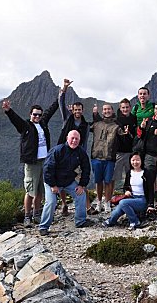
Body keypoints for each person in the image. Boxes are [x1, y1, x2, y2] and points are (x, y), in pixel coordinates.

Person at [2, 92, 59, 227]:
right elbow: (16, 120)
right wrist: (8, 111)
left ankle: (36, 215)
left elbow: (51, 109)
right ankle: (27, 216)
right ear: (30, 115)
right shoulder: (26, 126)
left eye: (39, 114)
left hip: (44, 161)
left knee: (39, 190)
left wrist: (61, 93)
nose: (37, 116)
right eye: (35, 114)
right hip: (32, 163)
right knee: (30, 191)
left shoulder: (43, 123)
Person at [39, 130, 93, 236]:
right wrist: (53, 185)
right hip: (52, 182)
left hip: (68, 181)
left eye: (76, 139)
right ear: (67, 138)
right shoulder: (57, 150)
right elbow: (47, 169)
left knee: (81, 195)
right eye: (72, 138)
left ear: (79, 140)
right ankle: (44, 226)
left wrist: (82, 185)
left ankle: (80, 221)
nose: (74, 141)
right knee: (51, 202)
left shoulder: (81, 152)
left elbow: (86, 169)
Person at [56, 79, 94, 216]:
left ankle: (88, 207)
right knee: (61, 179)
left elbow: (84, 142)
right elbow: (61, 102)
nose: (77, 111)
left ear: (83, 111)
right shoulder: (67, 118)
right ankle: (65, 205)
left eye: (79, 110)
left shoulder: (86, 125)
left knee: (81, 180)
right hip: (63, 154)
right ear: (72, 110)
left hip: (78, 156)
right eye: (75, 109)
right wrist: (65, 88)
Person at [91, 103, 130, 212]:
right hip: (96, 156)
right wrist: (94, 114)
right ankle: (99, 202)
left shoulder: (116, 126)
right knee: (98, 181)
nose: (107, 111)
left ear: (112, 111)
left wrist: (126, 134)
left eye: (109, 109)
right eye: (105, 109)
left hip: (109, 157)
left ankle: (107, 202)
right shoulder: (96, 124)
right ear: (102, 112)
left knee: (108, 181)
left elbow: (123, 136)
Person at [102, 152, 155, 230]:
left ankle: (134, 221)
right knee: (118, 209)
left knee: (123, 203)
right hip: (131, 197)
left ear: (141, 161)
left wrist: (150, 205)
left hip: (142, 200)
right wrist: (126, 191)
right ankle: (111, 221)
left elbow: (151, 190)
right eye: (133, 160)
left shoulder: (146, 173)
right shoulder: (129, 172)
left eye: (137, 160)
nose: (135, 162)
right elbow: (126, 186)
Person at [111, 98, 137, 190]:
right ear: (120, 108)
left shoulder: (134, 119)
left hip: (130, 152)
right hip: (119, 152)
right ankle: (109, 197)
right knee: (113, 177)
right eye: (123, 108)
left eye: (127, 107)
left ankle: (128, 193)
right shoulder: (116, 120)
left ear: (130, 107)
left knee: (130, 175)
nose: (125, 109)